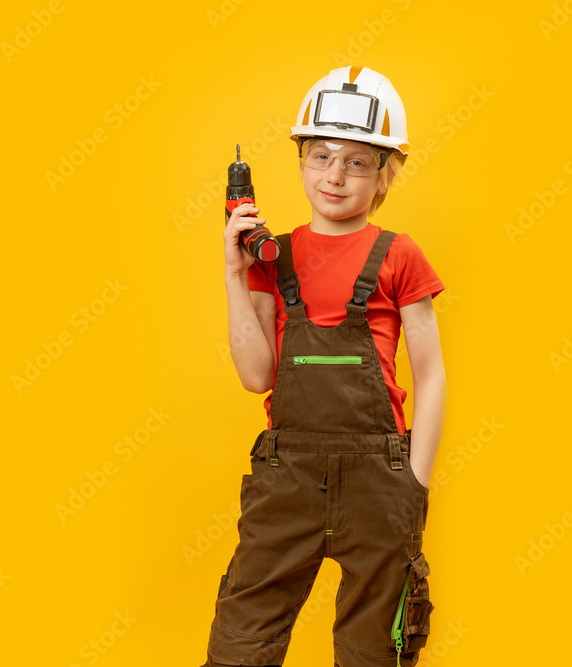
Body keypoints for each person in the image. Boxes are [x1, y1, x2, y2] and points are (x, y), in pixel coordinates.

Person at [205, 66, 446, 667]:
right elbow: (257, 375)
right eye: (321, 155)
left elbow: (432, 372)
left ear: (385, 172)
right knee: (241, 645)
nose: (334, 175)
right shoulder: (272, 256)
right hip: (287, 477)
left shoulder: (400, 255)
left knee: (371, 653)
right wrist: (236, 273)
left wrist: (414, 482)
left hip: (379, 479)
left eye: (357, 162)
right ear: (302, 160)